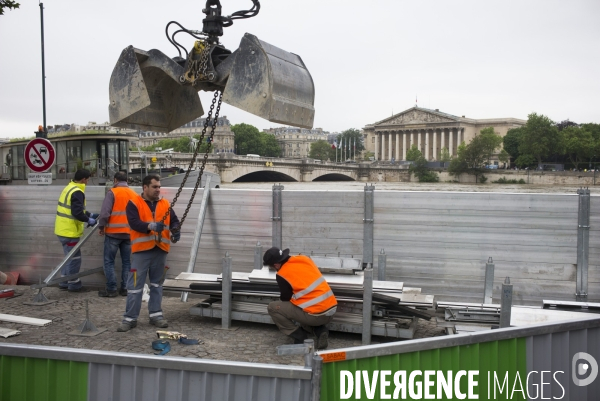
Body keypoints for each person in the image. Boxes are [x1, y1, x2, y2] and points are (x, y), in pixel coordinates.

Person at [117, 174, 180, 332]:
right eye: (154, 187)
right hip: (141, 252)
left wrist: (176, 230)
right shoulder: (134, 203)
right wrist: (151, 226)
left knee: (157, 285)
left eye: (159, 187)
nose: (158, 189)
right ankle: (130, 318)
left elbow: (174, 220)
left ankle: (156, 315)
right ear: (145, 187)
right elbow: (134, 223)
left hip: (160, 250)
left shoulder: (165, 203)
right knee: (135, 287)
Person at [263, 247, 337, 350]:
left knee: (273, 307)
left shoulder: (282, 274)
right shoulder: (304, 259)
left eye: (272, 267)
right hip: (331, 309)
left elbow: (285, 298)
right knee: (302, 307)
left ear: (276, 264)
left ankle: (300, 336)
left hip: (315, 316)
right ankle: (320, 330)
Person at [54, 169, 98, 292]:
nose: (88, 182)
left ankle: (64, 281)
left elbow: (73, 208)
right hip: (70, 231)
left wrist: (90, 214)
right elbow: (77, 212)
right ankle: (74, 284)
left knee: (68, 257)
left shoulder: (69, 187)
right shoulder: (78, 191)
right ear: (84, 179)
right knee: (74, 258)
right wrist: (88, 220)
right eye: (88, 179)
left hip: (62, 229)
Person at [97, 172, 138, 297]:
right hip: (128, 234)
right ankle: (125, 288)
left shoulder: (112, 192)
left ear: (115, 180)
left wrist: (101, 226)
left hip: (113, 234)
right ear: (127, 180)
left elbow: (104, 213)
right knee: (127, 262)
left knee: (109, 261)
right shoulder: (134, 194)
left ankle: (111, 289)